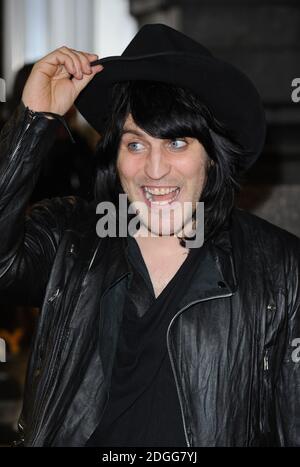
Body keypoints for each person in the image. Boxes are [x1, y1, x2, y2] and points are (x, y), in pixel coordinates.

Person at [0, 23, 299, 447]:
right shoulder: (72, 238)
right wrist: (33, 123)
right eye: (135, 144)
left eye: (177, 143)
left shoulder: (280, 268)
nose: (155, 170)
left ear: (212, 156)